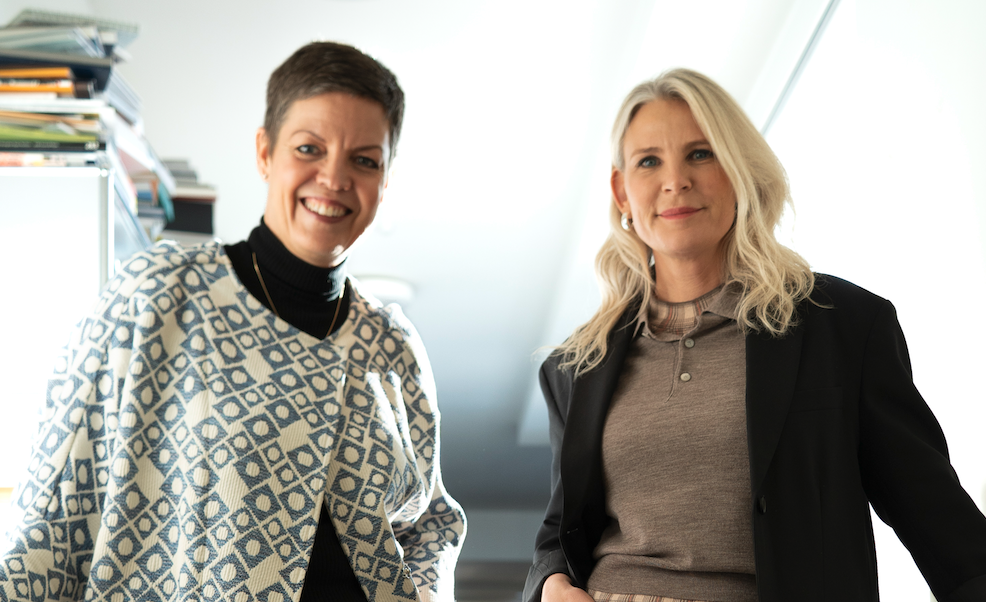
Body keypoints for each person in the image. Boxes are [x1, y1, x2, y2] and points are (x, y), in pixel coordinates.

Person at [0, 41, 465, 602]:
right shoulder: (159, 294)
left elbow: (430, 528)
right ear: (265, 152)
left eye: (364, 160)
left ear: (385, 182)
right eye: (310, 148)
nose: (335, 177)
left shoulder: (393, 346)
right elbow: (52, 522)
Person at [523, 68, 986, 602]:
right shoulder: (576, 366)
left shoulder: (843, 326)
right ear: (621, 191)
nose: (675, 180)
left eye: (700, 153)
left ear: (738, 170)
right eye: (648, 161)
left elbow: (939, 521)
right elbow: (561, 532)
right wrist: (552, 583)